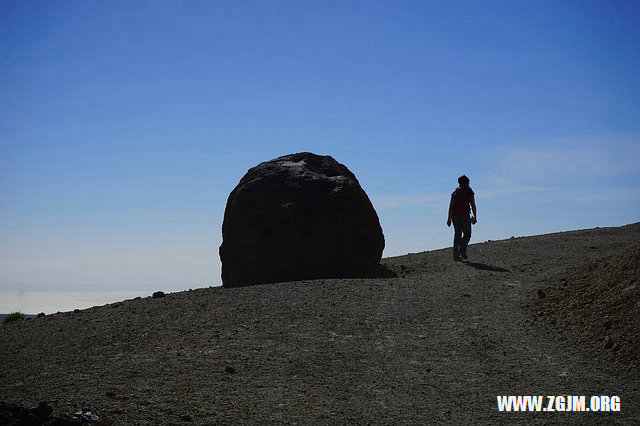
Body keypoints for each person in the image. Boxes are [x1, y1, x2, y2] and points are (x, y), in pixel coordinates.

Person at [447, 175, 477, 261]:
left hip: (454, 215)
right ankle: (462, 250)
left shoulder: (455, 192)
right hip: (464, 215)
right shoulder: (469, 191)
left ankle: (456, 255)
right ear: (467, 182)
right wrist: (475, 217)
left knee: (457, 234)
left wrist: (449, 218)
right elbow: (473, 204)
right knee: (467, 234)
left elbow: (450, 206)